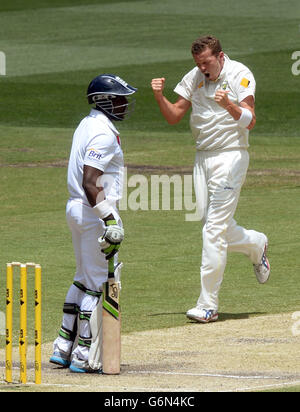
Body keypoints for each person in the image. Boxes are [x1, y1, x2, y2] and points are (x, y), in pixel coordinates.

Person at [151, 35, 270, 323]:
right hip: (202, 157)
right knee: (216, 227)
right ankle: (255, 244)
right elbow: (175, 115)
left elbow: (251, 120)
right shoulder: (195, 77)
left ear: (220, 56)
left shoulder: (239, 74)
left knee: (213, 230)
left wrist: (229, 105)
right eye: (198, 63)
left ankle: (207, 305)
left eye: (206, 62)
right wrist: (159, 95)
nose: (203, 68)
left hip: (231, 156)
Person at [50, 74, 137, 372]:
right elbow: (91, 181)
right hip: (93, 212)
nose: (125, 104)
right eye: (119, 99)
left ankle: (63, 346)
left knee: (83, 277)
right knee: (99, 284)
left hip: (78, 210)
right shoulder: (101, 132)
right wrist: (110, 219)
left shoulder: (88, 124)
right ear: (104, 101)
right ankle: (84, 354)